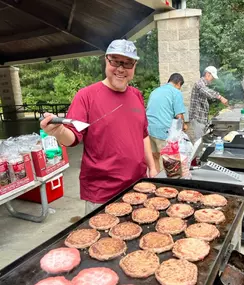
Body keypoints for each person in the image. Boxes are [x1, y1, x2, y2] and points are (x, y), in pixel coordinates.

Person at [40, 39, 157, 214]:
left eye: (127, 63)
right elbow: (72, 137)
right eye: (115, 61)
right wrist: (59, 131)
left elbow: (143, 134)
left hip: (138, 186)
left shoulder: (136, 95)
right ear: (106, 60)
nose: (120, 68)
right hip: (103, 192)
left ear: (134, 66)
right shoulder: (86, 96)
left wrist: (153, 168)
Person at [146, 73, 186, 172]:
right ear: (179, 83)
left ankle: (156, 179)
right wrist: (182, 128)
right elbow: (179, 116)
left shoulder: (155, 91)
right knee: (168, 162)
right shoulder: (176, 92)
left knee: (155, 157)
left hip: (148, 129)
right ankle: (166, 184)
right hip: (163, 131)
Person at [189, 66, 228, 143]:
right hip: (197, 119)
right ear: (207, 74)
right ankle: (198, 155)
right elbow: (207, 92)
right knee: (199, 142)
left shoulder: (203, 84)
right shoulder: (199, 83)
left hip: (202, 120)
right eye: (212, 77)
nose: (212, 79)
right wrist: (220, 97)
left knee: (202, 142)